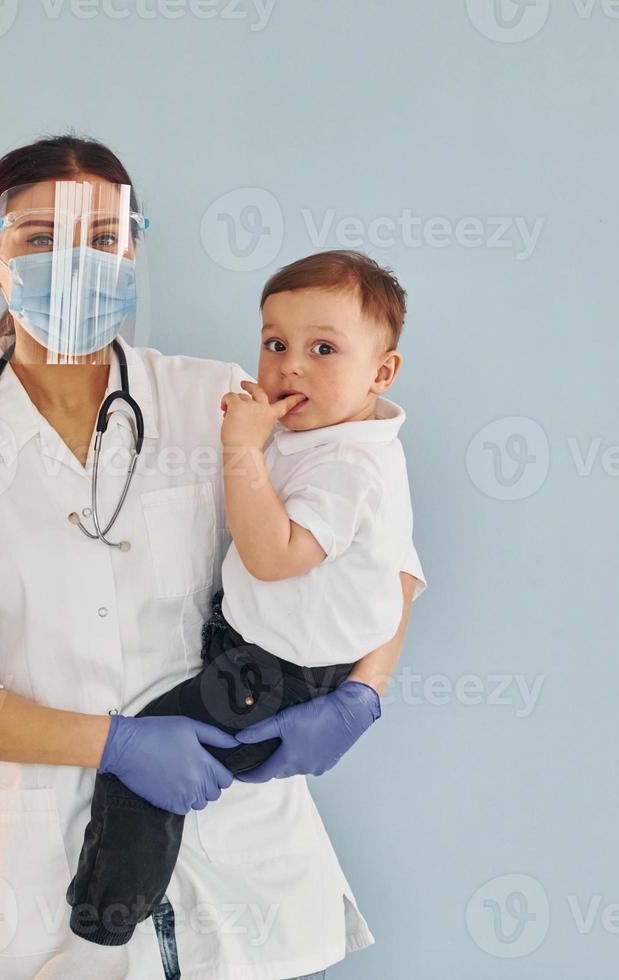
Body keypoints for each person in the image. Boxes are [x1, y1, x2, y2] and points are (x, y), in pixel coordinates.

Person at [0, 135, 424, 980]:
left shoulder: (221, 401)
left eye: (101, 238)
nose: (76, 264)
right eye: (42, 239)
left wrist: (362, 695)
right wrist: (119, 745)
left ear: (133, 250)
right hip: (48, 879)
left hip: (245, 866)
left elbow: (379, 547)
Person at [66, 250, 420, 948]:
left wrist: (240, 449)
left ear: (381, 374)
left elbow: (277, 555)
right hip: (252, 654)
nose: (290, 366)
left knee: (139, 775)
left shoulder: (343, 460)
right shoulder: (318, 429)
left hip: (274, 678)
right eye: (274, 343)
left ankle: (104, 915)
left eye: (323, 349)